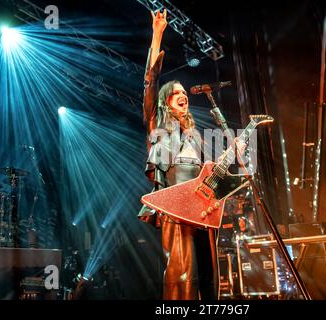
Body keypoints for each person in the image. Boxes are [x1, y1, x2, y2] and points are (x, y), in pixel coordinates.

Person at [138, 9, 218, 300]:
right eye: (176, 93)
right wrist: (157, 34)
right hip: (173, 204)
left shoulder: (195, 135)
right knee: (181, 269)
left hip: (199, 204)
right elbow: (150, 80)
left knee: (207, 269)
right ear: (166, 102)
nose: (183, 95)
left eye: (185, 92)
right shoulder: (157, 123)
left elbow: (204, 171)